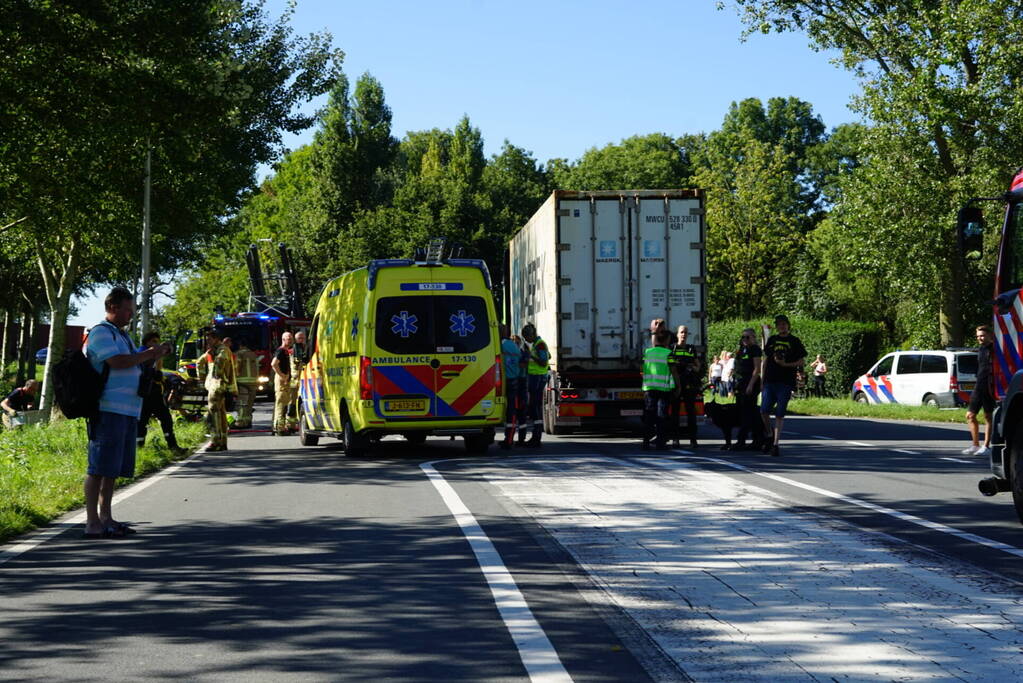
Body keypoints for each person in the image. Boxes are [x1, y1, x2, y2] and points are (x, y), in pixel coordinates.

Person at [83, 287, 170, 538]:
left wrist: (154, 356)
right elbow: (117, 362)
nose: (131, 315)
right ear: (112, 307)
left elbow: (136, 361)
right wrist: (149, 353)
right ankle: (92, 522)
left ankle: (107, 517)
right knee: (98, 467)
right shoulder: (100, 332)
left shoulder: (122, 335)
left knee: (113, 469)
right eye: (127, 309)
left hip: (128, 409)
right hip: (107, 408)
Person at [760, 314, 807, 457]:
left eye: (784, 324)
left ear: (788, 325)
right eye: (779, 324)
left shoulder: (794, 341)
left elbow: (801, 361)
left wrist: (786, 364)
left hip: (785, 382)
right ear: (776, 326)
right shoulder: (773, 340)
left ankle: (776, 443)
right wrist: (762, 381)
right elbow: (766, 360)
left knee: (780, 414)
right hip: (770, 381)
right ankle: (769, 433)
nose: (782, 326)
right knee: (764, 411)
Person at [135, 332, 183, 454]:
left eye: (157, 342)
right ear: (147, 342)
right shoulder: (143, 353)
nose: (157, 344)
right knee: (145, 421)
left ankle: (172, 446)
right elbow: (141, 371)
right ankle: (139, 449)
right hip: (146, 393)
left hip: (152, 392)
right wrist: (154, 375)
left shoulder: (153, 354)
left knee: (163, 419)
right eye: (154, 342)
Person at [729, 328, 764, 451]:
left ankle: (744, 440)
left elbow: (757, 369)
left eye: (747, 337)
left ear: (753, 338)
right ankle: (756, 438)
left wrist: (750, 385)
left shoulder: (755, 349)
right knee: (744, 412)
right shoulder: (741, 349)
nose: (744, 339)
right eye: (743, 337)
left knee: (749, 412)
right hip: (740, 383)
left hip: (750, 384)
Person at [668, 325, 702, 448]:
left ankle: (693, 440)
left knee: (691, 412)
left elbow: (698, 367)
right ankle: (675, 439)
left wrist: (690, 366)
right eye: (681, 332)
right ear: (677, 334)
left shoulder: (691, 349)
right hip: (676, 384)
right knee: (675, 412)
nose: (683, 334)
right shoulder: (672, 348)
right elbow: (669, 366)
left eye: (686, 332)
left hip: (688, 384)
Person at [964, 325, 994, 456]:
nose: (980, 338)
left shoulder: (995, 349)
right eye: (978, 336)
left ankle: (986, 446)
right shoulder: (981, 349)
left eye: (982, 335)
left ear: (989, 335)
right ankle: (975, 445)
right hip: (979, 385)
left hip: (989, 385)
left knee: (988, 416)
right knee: (970, 415)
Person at [642, 330, 675, 450]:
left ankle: (645, 442)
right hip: (663, 389)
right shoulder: (668, 353)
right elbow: (673, 370)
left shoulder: (648, 352)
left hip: (649, 388)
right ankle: (660, 443)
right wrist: (677, 386)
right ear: (666, 340)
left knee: (649, 416)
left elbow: (644, 368)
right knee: (662, 416)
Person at [203, 330, 235, 451]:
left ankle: (215, 441)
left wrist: (212, 377)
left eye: (209, 339)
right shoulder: (217, 350)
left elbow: (219, 365)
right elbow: (200, 362)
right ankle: (222, 442)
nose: (207, 342)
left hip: (217, 385)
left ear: (216, 339)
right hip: (217, 385)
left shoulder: (222, 350)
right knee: (220, 414)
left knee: (214, 413)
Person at [520, 323, 549, 448]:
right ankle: (535, 436)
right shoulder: (536, 345)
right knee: (534, 408)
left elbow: (543, 362)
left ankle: (536, 437)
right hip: (534, 378)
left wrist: (531, 356)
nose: (526, 340)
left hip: (538, 379)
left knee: (535, 408)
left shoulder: (540, 344)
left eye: (526, 337)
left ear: (531, 335)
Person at [499, 325, 527, 449]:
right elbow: (521, 364)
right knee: (512, 410)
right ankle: (509, 438)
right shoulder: (514, 347)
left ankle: (509, 439)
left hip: (505, 381)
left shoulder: (500, 345)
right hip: (514, 381)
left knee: (509, 410)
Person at [271, 331, 296, 435]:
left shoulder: (287, 351)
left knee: (284, 403)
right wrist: (282, 375)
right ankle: (279, 429)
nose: (290, 341)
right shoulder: (280, 351)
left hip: (286, 380)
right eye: (288, 339)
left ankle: (282, 427)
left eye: (291, 339)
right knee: (281, 404)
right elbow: (274, 364)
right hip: (281, 381)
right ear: (283, 339)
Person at [233, 338, 260, 429]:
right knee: (250, 403)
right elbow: (257, 368)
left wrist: (235, 376)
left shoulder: (239, 354)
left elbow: (238, 366)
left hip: (242, 382)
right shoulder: (253, 354)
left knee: (242, 403)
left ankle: (240, 422)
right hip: (253, 382)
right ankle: (248, 421)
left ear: (240, 345)